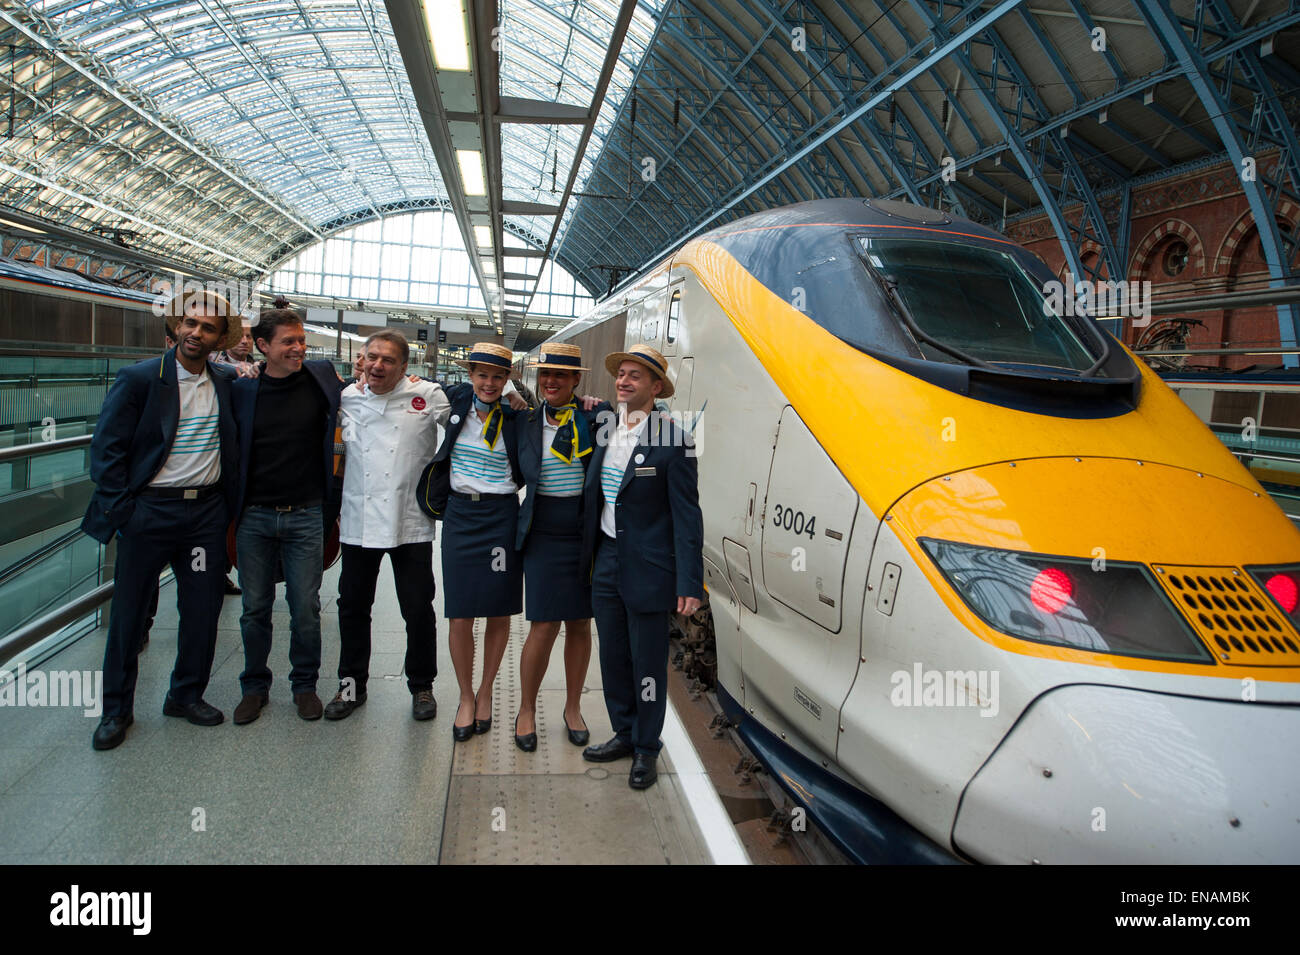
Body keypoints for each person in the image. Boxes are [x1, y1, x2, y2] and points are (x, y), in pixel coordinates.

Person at [84, 290, 242, 750]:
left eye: (207, 328)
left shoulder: (227, 380)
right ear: (175, 327)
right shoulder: (139, 379)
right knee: (130, 615)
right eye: (189, 324)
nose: (196, 333)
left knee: (201, 609)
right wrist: (125, 512)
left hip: (205, 515)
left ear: (218, 339)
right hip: (149, 512)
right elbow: (107, 449)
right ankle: (115, 710)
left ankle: (185, 695)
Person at [580, 343, 703, 789]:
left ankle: (647, 748)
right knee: (612, 655)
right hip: (607, 559)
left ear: (655, 387)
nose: (625, 380)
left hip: (649, 568)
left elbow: (688, 517)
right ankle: (624, 732)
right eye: (622, 373)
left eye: (636, 375)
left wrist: (690, 581)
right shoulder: (604, 429)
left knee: (646, 662)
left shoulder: (674, 442)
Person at [325, 330, 448, 722]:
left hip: (409, 521)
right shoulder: (346, 398)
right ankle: (350, 685)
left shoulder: (428, 396)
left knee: (417, 607)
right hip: (359, 520)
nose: (377, 365)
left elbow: (475, 410)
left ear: (404, 367)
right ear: (361, 360)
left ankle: (422, 686)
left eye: (388, 360)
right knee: (353, 606)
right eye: (371, 358)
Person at [229, 305, 342, 724]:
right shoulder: (241, 388)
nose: (298, 348)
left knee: (305, 608)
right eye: (288, 342)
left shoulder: (321, 377)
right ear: (262, 347)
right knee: (254, 608)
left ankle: (304, 686)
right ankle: (254, 687)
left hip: (306, 514)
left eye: (301, 340)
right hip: (254, 516)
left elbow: (369, 383)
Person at [420, 342, 525, 742]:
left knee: (498, 611)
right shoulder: (456, 400)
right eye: (482, 374)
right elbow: (412, 391)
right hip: (461, 517)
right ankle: (465, 696)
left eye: (498, 376)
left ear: (508, 378)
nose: (489, 383)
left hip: (501, 517)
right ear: (471, 375)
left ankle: (486, 693)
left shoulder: (516, 415)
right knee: (460, 613)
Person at [513, 343, 596, 751]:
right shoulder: (526, 422)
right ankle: (526, 709)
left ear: (576, 380)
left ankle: (573, 707)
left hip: (582, 534)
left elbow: (654, 422)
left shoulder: (596, 418)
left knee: (580, 623)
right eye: (546, 375)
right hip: (542, 533)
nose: (551, 382)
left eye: (561, 376)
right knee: (543, 624)